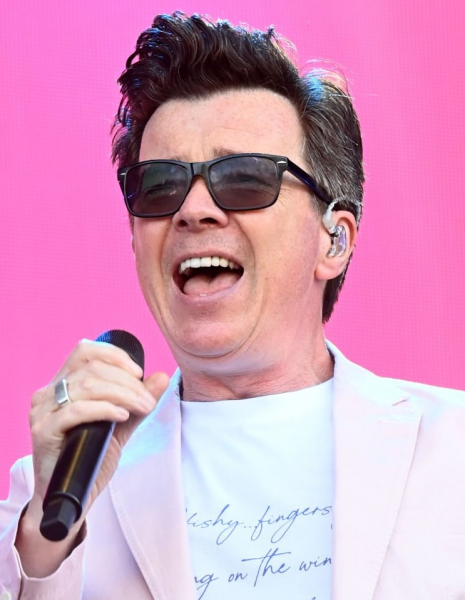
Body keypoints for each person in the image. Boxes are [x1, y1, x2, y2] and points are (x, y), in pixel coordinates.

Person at [1, 11, 464, 600]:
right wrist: (44, 543)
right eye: (160, 185)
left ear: (334, 240)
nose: (192, 210)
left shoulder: (453, 450)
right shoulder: (58, 490)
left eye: (244, 178)